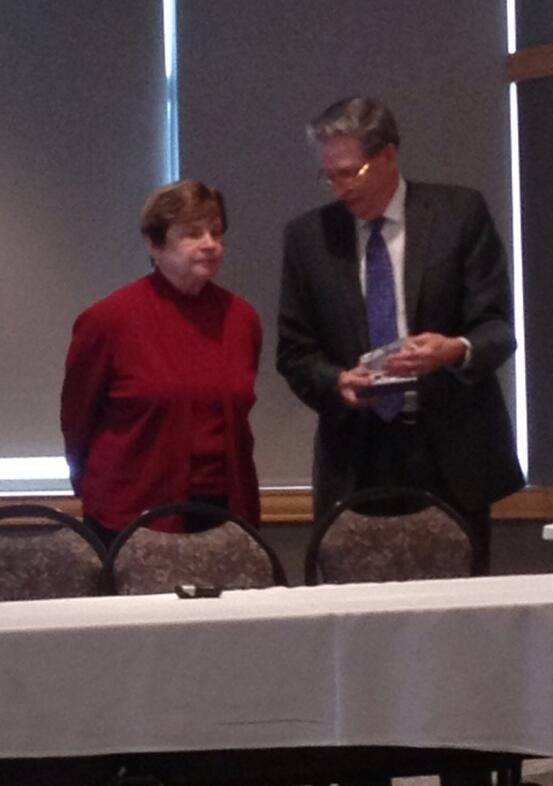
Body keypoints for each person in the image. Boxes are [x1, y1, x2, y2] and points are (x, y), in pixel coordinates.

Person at [277, 96, 524, 575]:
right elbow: (295, 350)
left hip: (450, 450)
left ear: (388, 155)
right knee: (358, 621)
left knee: (461, 617)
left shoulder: (458, 214)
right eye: (330, 175)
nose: (341, 188)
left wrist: (453, 350)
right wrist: (337, 382)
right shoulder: (309, 237)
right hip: (357, 453)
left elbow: (497, 328)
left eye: (351, 172)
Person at [61, 179, 261, 546]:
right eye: (192, 233)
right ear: (155, 244)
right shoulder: (109, 319)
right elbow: (77, 420)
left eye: (216, 232)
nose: (210, 244)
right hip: (133, 516)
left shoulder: (241, 318)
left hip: (226, 513)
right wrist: (91, 488)